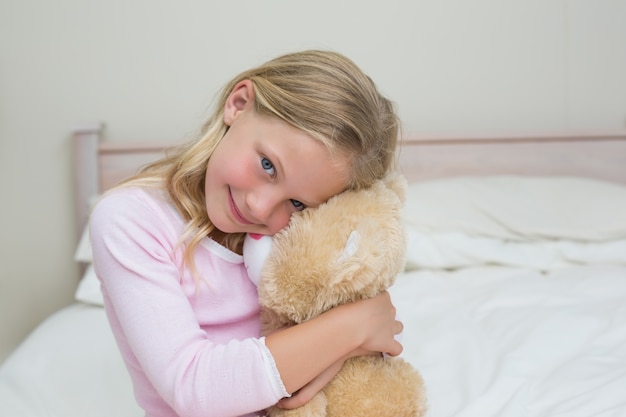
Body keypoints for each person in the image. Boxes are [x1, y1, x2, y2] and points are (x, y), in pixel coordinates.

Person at [90, 49, 404, 417]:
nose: (261, 207)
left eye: (298, 204)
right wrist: (355, 327)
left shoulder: (301, 240)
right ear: (238, 104)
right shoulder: (131, 218)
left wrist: (345, 345)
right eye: (268, 165)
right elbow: (194, 388)